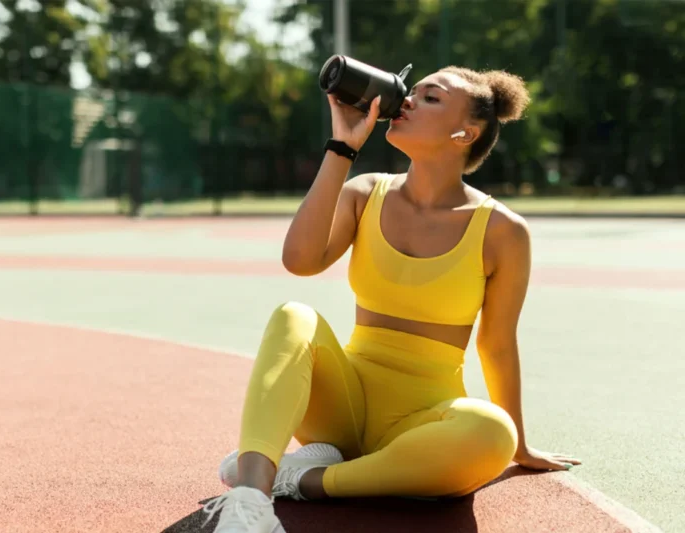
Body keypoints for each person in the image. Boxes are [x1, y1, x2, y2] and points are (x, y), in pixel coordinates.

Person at [202, 65, 581, 533]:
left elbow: (497, 344)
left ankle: (304, 479)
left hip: (420, 426)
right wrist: (342, 148)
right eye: (412, 91)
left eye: (430, 97)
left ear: (465, 133)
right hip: (340, 411)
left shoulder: (503, 231)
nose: (407, 101)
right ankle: (250, 502)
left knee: (493, 431)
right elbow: (300, 261)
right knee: (293, 315)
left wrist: (518, 445)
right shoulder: (365, 193)